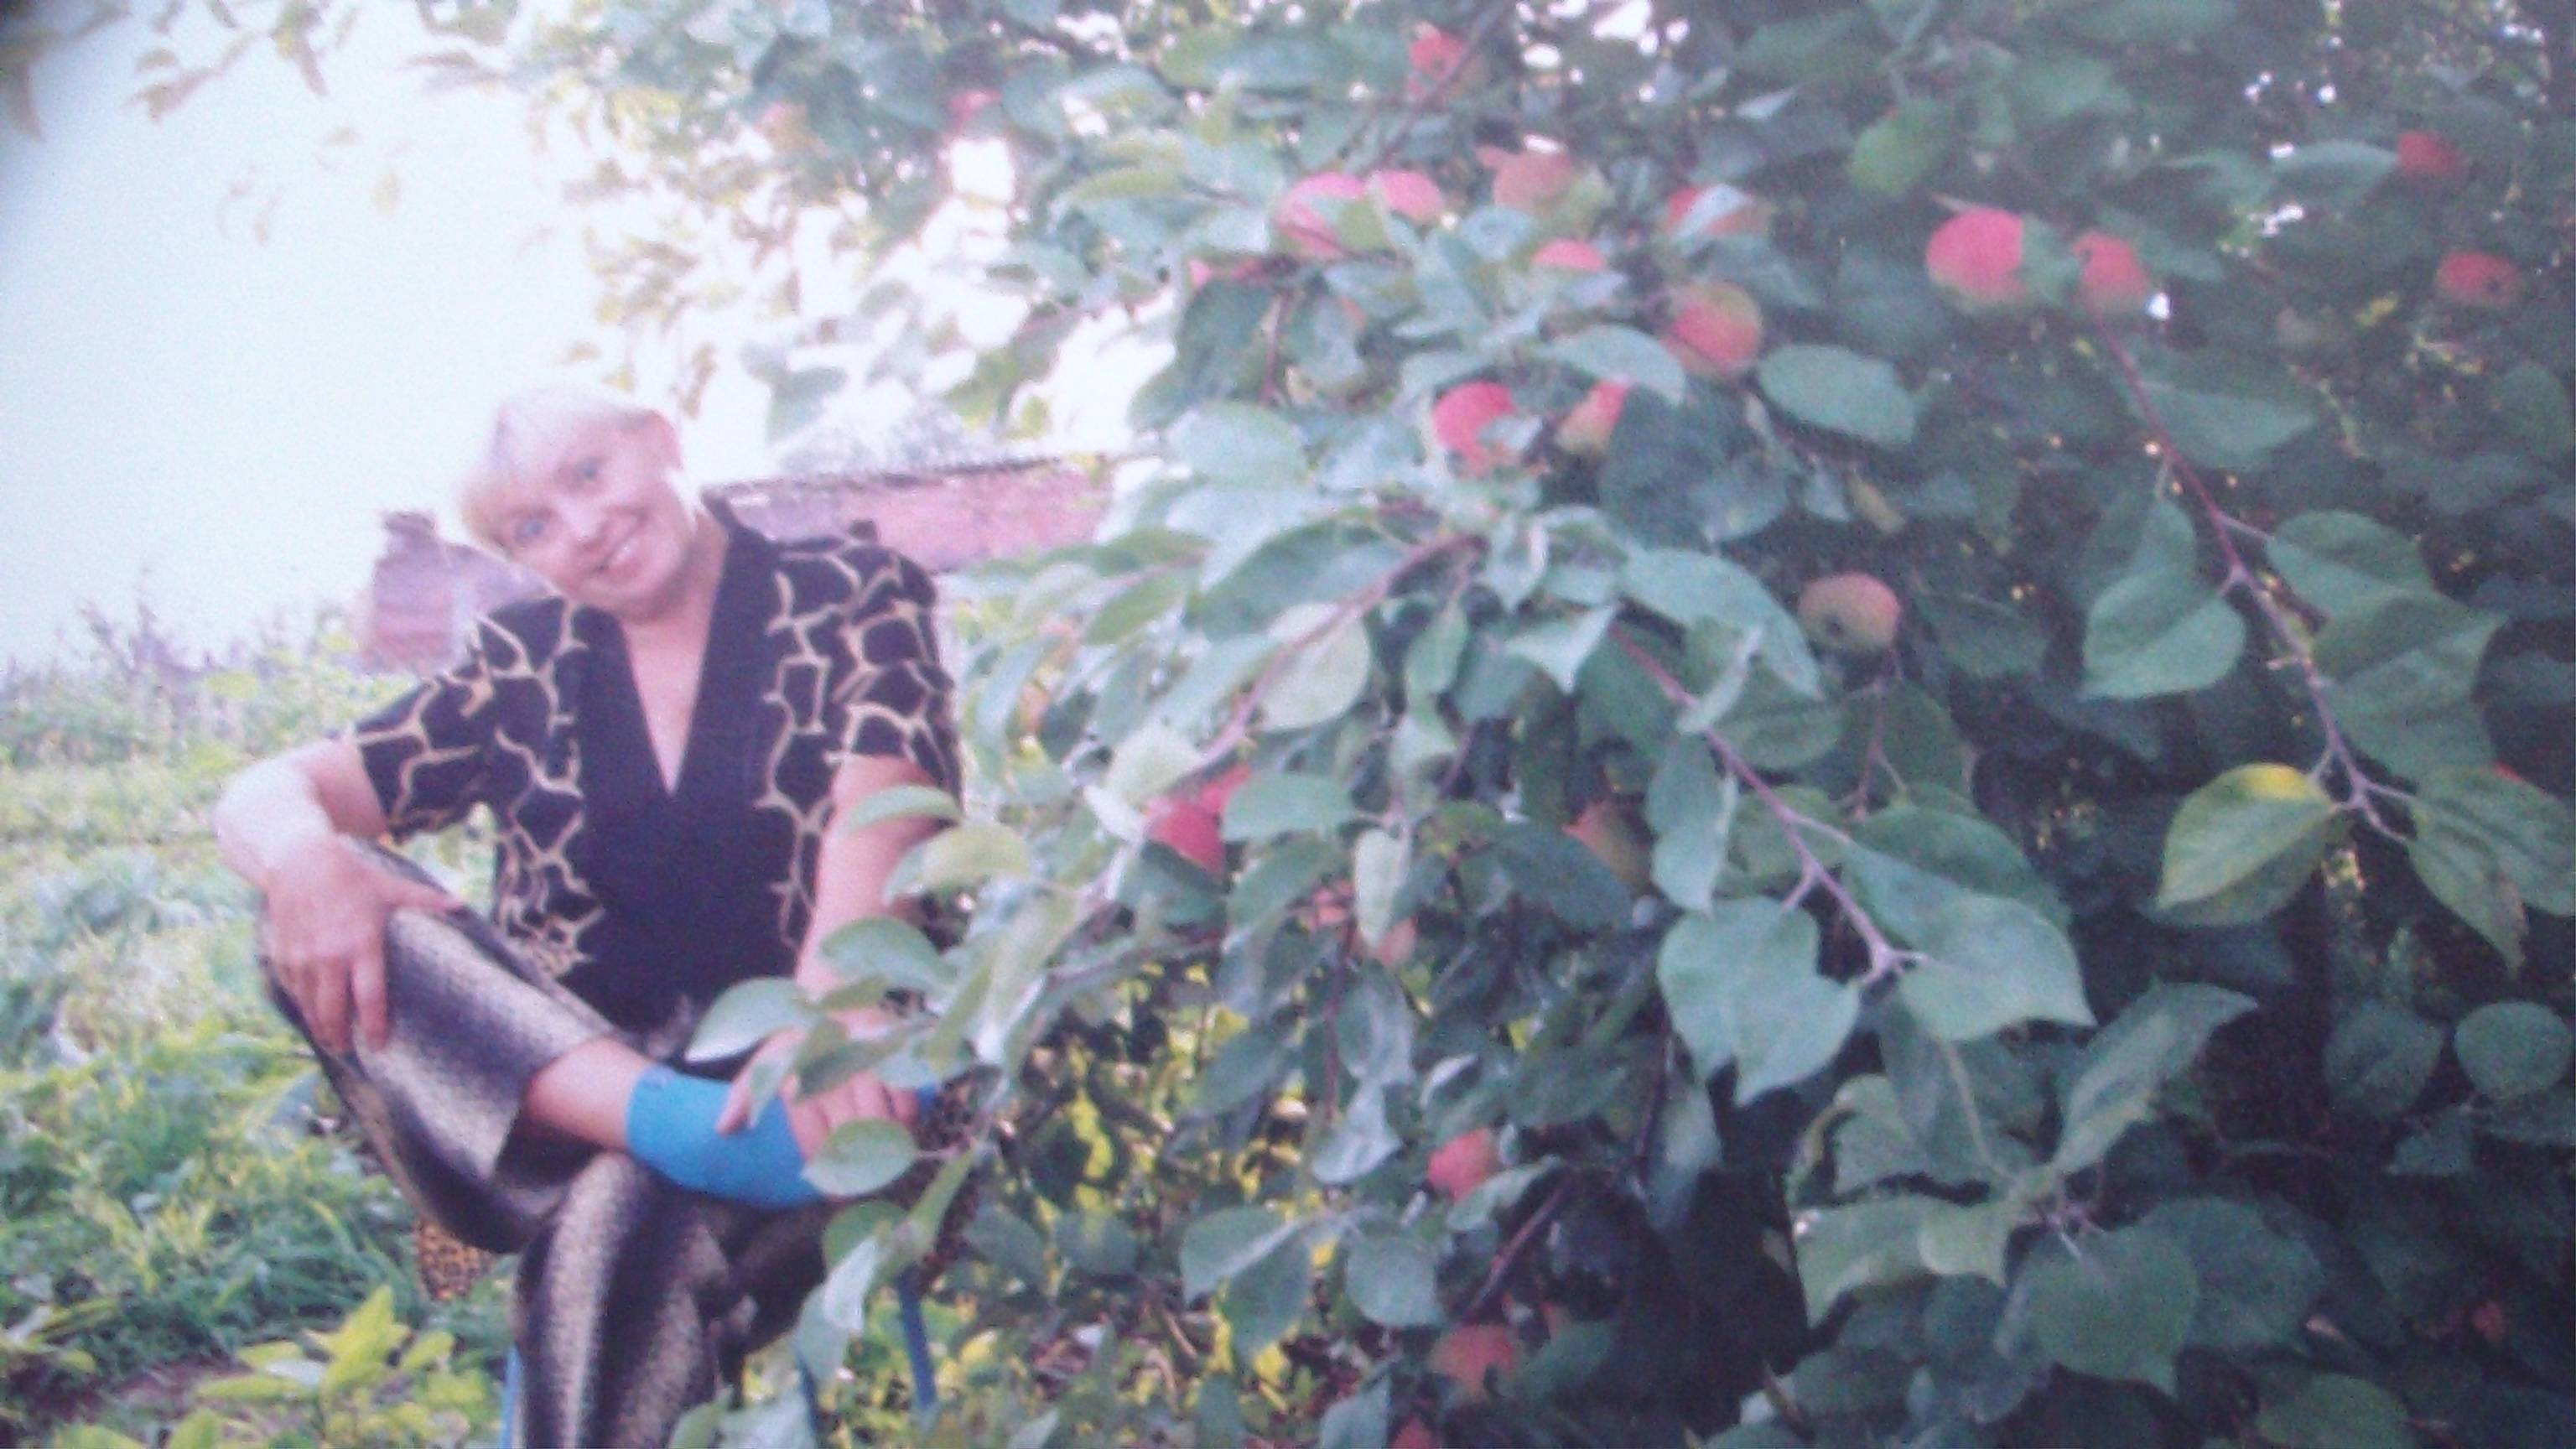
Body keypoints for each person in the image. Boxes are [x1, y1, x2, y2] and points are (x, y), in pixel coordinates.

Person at [210, 384, 962, 1447]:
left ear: (660, 439)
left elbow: (886, 787)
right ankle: (680, 1129)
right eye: (532, 526)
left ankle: (691, 1144)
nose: (582, 527)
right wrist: (302, 859)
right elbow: (264, 791)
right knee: (317, 896)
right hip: (543, 1114)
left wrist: (834, 1004)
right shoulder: (519, 663)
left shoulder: (850, 591)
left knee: (615, 1228)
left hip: (816, 1091)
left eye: (588, 474)